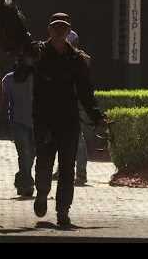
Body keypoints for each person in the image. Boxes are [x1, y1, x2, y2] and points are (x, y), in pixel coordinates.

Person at [30, 13, 106, 227]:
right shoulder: (38, 54)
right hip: (44, 121)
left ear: (68, 32)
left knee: (66, 169)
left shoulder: (76, 59)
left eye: (63, 29)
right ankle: (42, 194)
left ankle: (63, 211)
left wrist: (97, 116)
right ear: (49, 30)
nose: (59, 32)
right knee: (44, 164)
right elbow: (21, 74)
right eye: (56, 28)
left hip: (68, 122)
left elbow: (85, 92)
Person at [52, 28, 90, 185]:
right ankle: (62, 169)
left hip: (74, 102)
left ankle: (81, 174)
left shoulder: (81, 59)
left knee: (77, 139)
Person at [2, 57, 35, 197]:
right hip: (18, 122)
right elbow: (4, 101)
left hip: (35, 122)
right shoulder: (8, 80)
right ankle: (26, 184)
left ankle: (23, 180)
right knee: (24, 154)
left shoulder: (36, 77)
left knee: (31, 154)